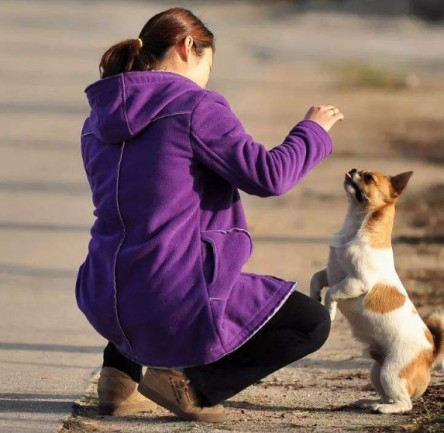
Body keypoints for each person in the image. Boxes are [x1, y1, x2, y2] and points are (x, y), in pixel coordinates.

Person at [75, 7, 343, 423]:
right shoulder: (195, 106)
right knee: (310, 322)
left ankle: (118, 375)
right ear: (187, 48)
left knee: (141, 255)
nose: (208, 78)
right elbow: (269, 176)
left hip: (102, 294)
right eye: (208, 63)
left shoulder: (97, 118)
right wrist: (312, 131)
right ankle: (192, 385)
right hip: (173, 298)